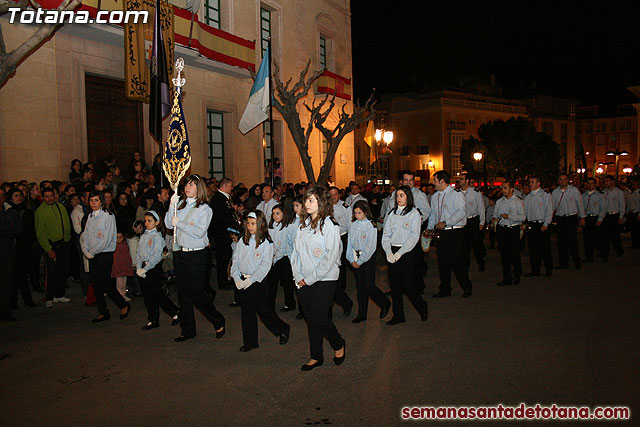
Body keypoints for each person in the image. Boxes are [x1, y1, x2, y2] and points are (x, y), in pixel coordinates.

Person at [290, 186, 346, 371]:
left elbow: (330, 258)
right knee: (311, 319)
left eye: (311, 200)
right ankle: (316, 356)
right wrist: (298, 275)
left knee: (320, 318)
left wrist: (310, 278)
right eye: (306, 200)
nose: (306, 203)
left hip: (325, 279)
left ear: (321, 202)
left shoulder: (330, 224)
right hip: (303, 279)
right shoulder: (303, 225)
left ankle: (338, 343)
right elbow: (295, 252)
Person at [166, 174, 225, 342]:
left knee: (196, 293)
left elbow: (199, 232)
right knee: (183, 293)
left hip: (196, 254)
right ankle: (188, 330)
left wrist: (180, 224)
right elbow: (169, 224)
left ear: (198, 188)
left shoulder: (205, 209)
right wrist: (171, 206)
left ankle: (218, 319)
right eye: (186, 184)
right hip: (180, 253)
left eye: (192, 185)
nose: (187, 187)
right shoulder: (181, 204)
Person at [231, 210, 289, 352]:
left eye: (253, 224)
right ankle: (250, 342)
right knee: (247, 312)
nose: (250, 226)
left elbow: (265, 266)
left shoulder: (266, 243)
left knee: (264, 310)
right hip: (242, 280)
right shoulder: (242, 241)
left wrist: (251, 281)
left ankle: (282, 328)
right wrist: (236, 277)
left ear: (261, 224)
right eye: (248, 223)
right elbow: (236, 260)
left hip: (256, 282)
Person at [382, 185, 429, 324]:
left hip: (406, 252)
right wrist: (389, 252)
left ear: (408, 197)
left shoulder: (414, 213)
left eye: (401, 195)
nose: (398, 198)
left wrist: (400, 253)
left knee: (408, 285)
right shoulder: (392, 213)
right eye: (397, 195)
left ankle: (422, 307)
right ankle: (398, 316)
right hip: (393, 251)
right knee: (395, 286)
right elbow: (386, 235)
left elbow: (414, 237)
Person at [82, 190, 131, 322]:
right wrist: (85, 250)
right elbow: (85, 235)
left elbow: (107, 239)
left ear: (102, 201)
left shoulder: (108, 216)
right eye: (91, 200)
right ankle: (103, 312)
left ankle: (123, 304)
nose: (93, 203)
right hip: (92, 254)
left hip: (104, 253)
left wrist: (92, 252)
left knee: (104, 281)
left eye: (96, 200)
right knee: (96, 283)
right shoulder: (90, 217)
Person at [428, 171, 472, 298]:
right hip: (442, 233)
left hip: (455, 232)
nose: (433, 183)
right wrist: (430, 228)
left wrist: (446, 222)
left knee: (457, 261)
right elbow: (433, 215)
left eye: (435, 180)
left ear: (442, 181)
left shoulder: (455, 195)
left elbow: (461, 213)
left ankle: (466, 286)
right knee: (443, 262)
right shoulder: (435, 196)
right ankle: (445, 289)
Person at [347, 200, 390, 323]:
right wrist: (351, 259)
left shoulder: (371, 225)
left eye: (359, 213)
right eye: (355, 213)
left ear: (366, 212)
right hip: (355, 257)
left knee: (369, 285)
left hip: (367, 258)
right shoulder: (353, 225)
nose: (357, 215)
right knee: (360, 286)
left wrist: (360, 261)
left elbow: (370, 247)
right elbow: (349, 243)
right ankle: (362, 314)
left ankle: (384, 303)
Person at [136, 210, 179, 330]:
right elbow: (139, 252)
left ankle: (174, 311)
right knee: (147, 295)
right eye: (145, 221)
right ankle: (153, 318)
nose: (147, 223)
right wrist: (139, 267)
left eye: (150, 221)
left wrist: (145, 268)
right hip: (143, 268)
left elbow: (156, 256)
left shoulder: (157, 237)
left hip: (153, 268)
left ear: (157, 222)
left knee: (157, 294)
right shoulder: (144, 236)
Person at [34, 187, 72, 307]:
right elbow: (40, 233)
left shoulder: (60, 207)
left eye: (52, 195)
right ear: (43, 197)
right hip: (51, 244)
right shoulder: (40, 212)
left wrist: (67, 239)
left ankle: (59, 294)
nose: (50, 198)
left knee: (62, 270)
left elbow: (66, 223)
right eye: (47, 196)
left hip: (63, 243)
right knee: (51, 272)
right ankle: (49, 297)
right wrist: (48, 248)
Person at [6, 188, 36, 308]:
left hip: (24, 248)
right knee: (13, 276)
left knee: (22, 275)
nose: (18, 198)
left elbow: (29, 230)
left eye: (20, 196)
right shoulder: (8, 213)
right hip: (12, 248)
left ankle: (27, 299)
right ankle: (12, 301)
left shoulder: (26, 212)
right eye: (15, 195)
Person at [492, 182, 525, 286]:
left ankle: (517, 275)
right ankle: (507, 277)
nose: (503, 190)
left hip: (513, 229)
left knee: (514, 254)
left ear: (511, 189)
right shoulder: (499, 201)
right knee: (504, 255)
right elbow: (495, 214)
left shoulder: (518, 201)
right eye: (502, 188)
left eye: (505, 188)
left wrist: (509, 217)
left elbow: (522, 217)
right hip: (502, 229)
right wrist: (494, 219)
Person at [209, 178, 238, 293]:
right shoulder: (218, 199)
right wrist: (232, 210)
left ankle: (226, 278)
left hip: (227, 232)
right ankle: (222, 282)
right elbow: (220, 217)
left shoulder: (226, 197)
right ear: (225, 186)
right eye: (230, 186)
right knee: (223, 257)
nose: (232, 188)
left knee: (227, 257)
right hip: (222, 233)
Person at [329, 186, 354, 316]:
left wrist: (350, 239)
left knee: (341, 265)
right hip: (329, 240)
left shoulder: (345, 206)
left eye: (335, 194)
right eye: (331, 195)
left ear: (339, 195)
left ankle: (341, 288)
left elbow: (350, 222)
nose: (333, 197)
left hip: (342, 236)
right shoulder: (326, 207)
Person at [266, 204, 296, 312]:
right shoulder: (272, 226)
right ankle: (269, 305)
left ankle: (290, 303)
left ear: (284, 214)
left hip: (284, 257)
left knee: (287, 282)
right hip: (275, 256)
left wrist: (275, 259)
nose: (275, 216)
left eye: (277, 213)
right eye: (273, 214)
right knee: (272, 282)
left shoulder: (287, 227)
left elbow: (286, 245)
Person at [551, 173, 585, 269]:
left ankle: (577, 262)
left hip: (571, 217)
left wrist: (582, 217)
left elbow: (580, 204)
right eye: (561, 179)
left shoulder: (574, 190)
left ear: (568, 180)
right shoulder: (555, 192)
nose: (562, 181)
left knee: (572, 241)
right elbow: (552, 207)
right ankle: (563, 263)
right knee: (561, 242)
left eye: (564, 179)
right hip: (560, 218)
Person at [0, 189, 23, 321]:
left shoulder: (11, 213)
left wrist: (4, 232)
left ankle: (5, 311)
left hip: (7, 253)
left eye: (1, 196)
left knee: (6, 283)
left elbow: (18, 230)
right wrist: (7, 229)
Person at [524, 176, 553, 277]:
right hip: (532, 224)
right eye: (530, 182)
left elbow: (549, 210)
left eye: (532, 182)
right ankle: (535, 270)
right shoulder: (528, 197)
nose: (530, 184)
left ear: (538, 184)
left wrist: (546, 223)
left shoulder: (545, 195)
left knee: (545, 248)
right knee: (533, 249)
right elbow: (526, 212)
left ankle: (548, 268)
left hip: (542, 224)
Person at [457, 174, 486, 272]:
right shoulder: (457, 193)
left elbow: (481, 208)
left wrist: (482, 222)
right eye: (459, 179)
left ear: (467, 181)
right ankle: (466, 265)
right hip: (462, 221)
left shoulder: (475, 193)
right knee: (464, 246)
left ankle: (481, 262)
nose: (459, 181)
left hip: (473, 220)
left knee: (476, 244)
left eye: (462, 179)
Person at [600, 175, 625, 260]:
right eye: (605, 181)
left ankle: (619, 250)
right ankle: (605, 253)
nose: (606, 183)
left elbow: (622, 205)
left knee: (615, 235)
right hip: (606, 215)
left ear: (612, 181)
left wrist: (621, 216)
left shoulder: (618, 192)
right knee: (605, 236)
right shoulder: (604, 192)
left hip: (614, 215)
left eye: (607, 181)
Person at [582, 178, 605, 262]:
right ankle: (589, 257)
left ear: (595, 185)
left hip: (595, 217)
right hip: (587, 218)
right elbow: (581, 208)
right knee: (587, 239)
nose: (590, 185)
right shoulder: (583, 195)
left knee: (597, 238)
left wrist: (600, 219)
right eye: (588, 183)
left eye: (592, 183)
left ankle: (603, 252)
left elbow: (603, 208)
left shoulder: (599, 195)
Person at [111, 232, 133, 302]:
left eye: (121, 237)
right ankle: (121, 296)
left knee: (124, 283)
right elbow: (115, 259)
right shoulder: (115, 247)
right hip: (119, 268)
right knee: (120, 283)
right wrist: (117, 267)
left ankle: (123, 294)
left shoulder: (125, 245)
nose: (119, 239)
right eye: (117, 237)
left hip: (125, 267)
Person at [627, 179, 640, 249]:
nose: (633, 186)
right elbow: (629, 204)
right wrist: (628, 211)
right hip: (632, 213)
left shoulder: (638, 193)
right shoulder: (632, 193)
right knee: (633, 230)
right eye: (632, 185)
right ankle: (634, 243)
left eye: (635, 184)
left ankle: (636, 244)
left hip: (636, 212)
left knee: (636, 230)